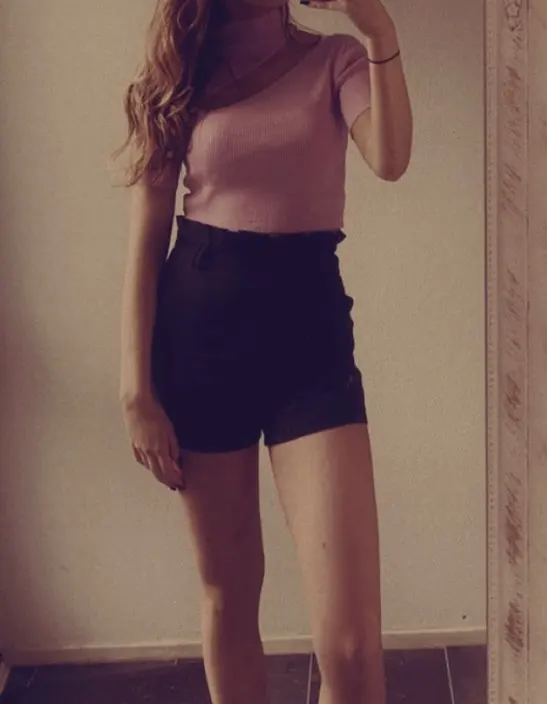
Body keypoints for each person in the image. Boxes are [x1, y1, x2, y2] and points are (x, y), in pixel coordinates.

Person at [114, 0, 413, 702]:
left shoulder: (336, 60)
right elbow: (146, 243)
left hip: (310, 339)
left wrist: (378, 28)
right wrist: (136, 392)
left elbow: (391, 158)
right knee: (229, 592)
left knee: (351, 645)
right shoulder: (178, 72)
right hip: (199, 341)